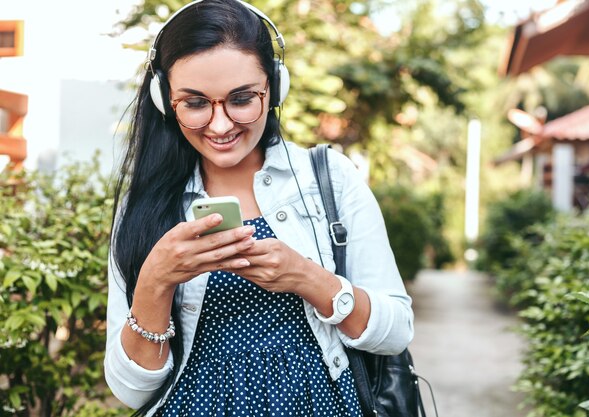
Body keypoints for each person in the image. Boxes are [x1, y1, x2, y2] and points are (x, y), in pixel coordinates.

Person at [104, 0, 414, 415]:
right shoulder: (144, 206)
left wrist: (309, 279)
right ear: (165, 101)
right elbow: (130, 392)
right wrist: (155, 281)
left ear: (275, 88)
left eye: (242, 99)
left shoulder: (331, 178)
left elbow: (396, 332)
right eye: (195, 104)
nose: (219, 125)